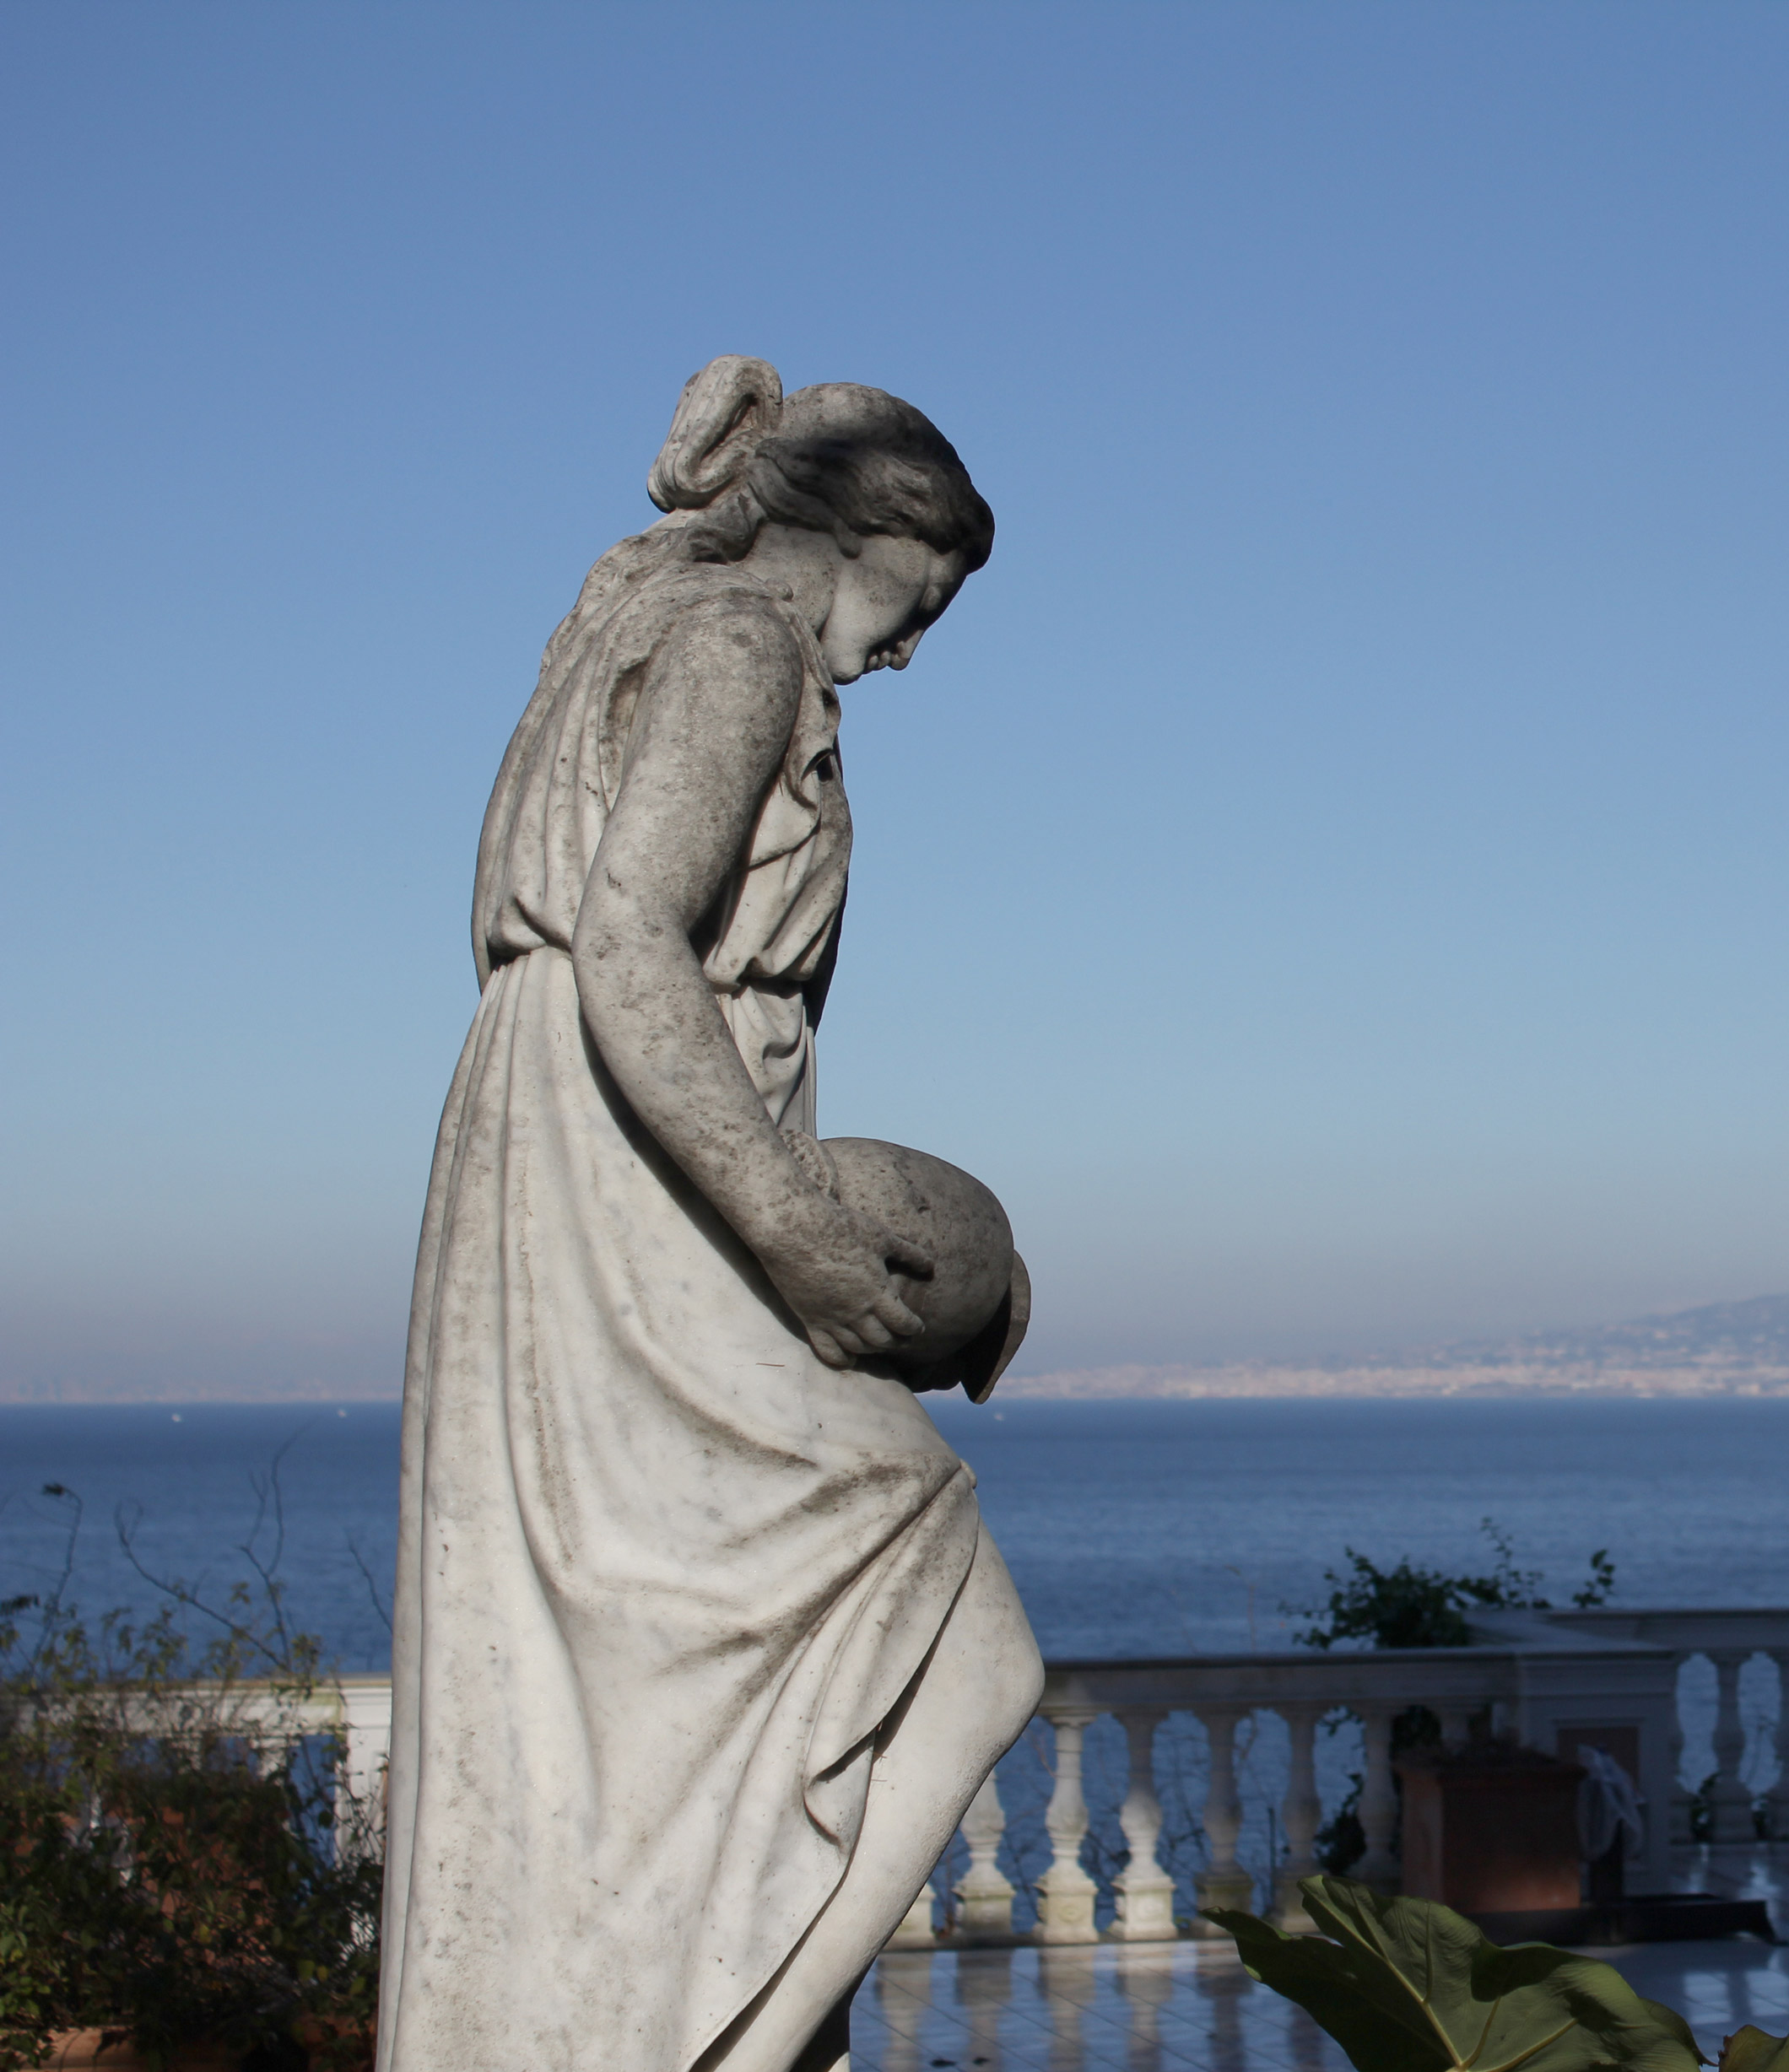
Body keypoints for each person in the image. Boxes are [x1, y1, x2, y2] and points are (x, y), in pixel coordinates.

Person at [382, 359, 1046, 2072]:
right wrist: (794, 1228)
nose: (910, 646)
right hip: (637, 1170)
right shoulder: (740, 640)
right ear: (868, 527)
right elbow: (627, 944)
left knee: (624, 1676)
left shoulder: (640, 623)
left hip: (602, 1138)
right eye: (926, 598)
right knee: (964, 1644)